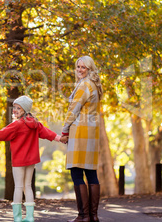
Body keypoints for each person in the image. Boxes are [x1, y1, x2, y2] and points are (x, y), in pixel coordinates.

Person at [0, 96, 67, 222]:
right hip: (31, 160)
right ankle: (30, 217)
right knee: (28, 186)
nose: (14, 110)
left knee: (19, 187)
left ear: (24, 109)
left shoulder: (17, 124)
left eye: (18, 108)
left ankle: (18, 218)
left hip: (19, 160)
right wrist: (59, 138)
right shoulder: (35, 123)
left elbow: (3, 133)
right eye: (14, 107)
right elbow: (47, 133)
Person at [61, 56, 103, 222]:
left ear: (89, 69)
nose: (79, 70)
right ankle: (93, 216)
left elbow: (73, 109)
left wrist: (64, 131)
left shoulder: (84, 85)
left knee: (76, 172)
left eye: (83, 67)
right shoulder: (94, 85)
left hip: (80, 132)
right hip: (92, 132)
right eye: (78, 66)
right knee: (91, 172)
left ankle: (83, 215)